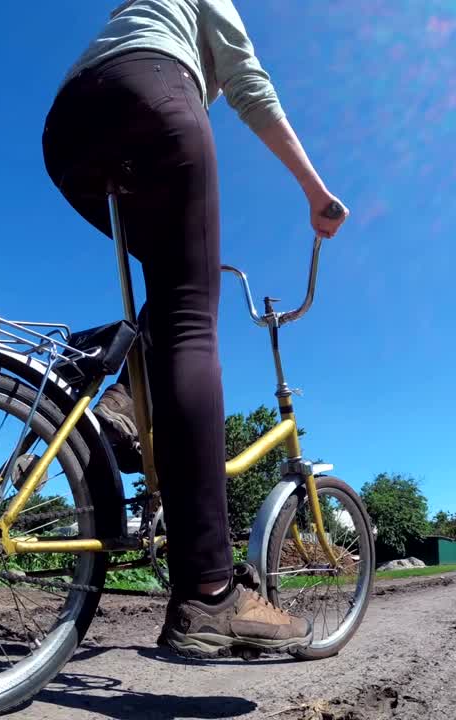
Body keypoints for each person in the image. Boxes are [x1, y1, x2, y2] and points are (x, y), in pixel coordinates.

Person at [41, 0, 348, 657]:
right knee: (190, 319)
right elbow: (247, 83)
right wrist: (315, 192)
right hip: (151, 95)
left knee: (168, 286)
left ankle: (109, 387)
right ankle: (209, 591)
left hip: (69, 126)